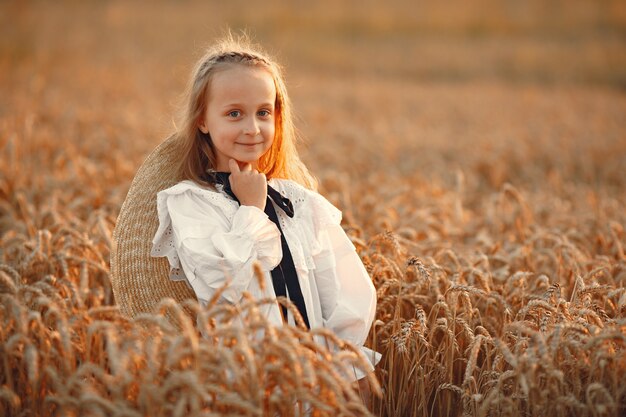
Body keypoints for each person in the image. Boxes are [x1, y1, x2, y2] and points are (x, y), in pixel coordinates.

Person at [150, 35, 381, 406]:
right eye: (234, 113)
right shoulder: (191, 203)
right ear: (202, 121)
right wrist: (252, 210)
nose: (252, 128)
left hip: (313, 383)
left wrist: (340, 360)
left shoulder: (300, 201)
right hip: (243, 387)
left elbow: (345, 287)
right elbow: (224, 281)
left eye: (263, 112)